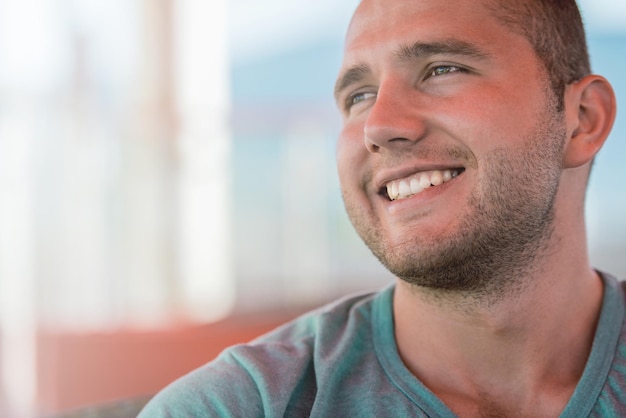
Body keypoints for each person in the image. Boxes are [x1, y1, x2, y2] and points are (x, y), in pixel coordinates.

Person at [139, 0, 624, 416]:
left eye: (441, 69)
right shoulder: (242, 407)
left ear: (583, 120)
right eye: (360, 96)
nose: (379, 125)